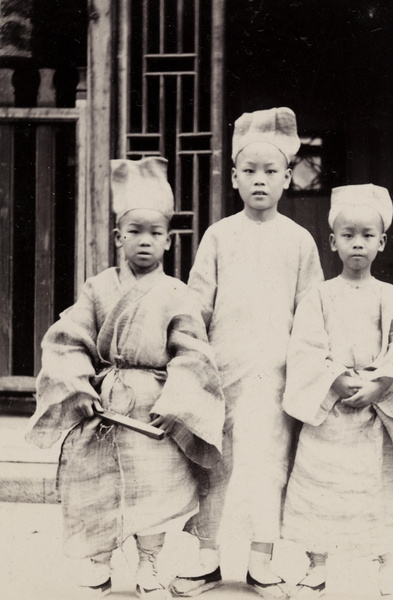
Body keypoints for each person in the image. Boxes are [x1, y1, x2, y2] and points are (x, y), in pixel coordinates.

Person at [26, 157, 225, 600]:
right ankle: (99, 562)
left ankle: (150, 561)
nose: (144, 241)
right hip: (105, 404)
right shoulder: (98, 288)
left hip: (154, 409)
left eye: (155, 233)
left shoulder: (178, 293)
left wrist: (176, 406)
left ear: (169, 241)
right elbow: (69, 338)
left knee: (156, 488)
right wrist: (79, 386)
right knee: (97, 484)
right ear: (118, 237)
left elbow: (192, 354)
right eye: (134, 231)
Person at [169, 107, 323, 600]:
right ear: (234, 176)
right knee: (216, 463)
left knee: (270, 464)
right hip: (223, 370)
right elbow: (197, 304)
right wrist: (194, 359)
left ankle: (261, 562)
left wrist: (306, 369)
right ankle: (206, 559)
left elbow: (312, 312)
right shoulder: (219, 235)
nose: (260, 181)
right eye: (250, 171)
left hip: (275, 375)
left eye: (271, 172)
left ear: (287, 178)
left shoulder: (299, 241)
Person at [281, 184, 393, 599]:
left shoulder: (387, 296)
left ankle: (387, 563)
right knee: (321, 486)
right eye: (349, 235)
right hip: (332, 411)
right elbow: (304, 348)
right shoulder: (318, 296)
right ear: (332, 241)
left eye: (367, 236)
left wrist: (383, 382)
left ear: (382, 242)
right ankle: (317, 566)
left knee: (383, 489)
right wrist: (333, 378)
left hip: (376, 415)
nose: (358, 243)